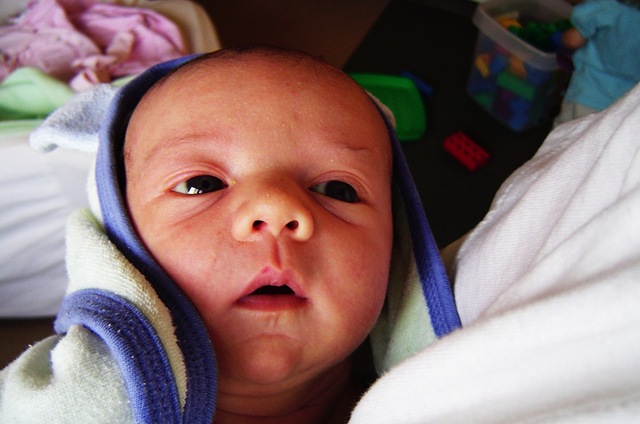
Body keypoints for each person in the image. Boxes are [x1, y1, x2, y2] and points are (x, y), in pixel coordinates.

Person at [0, 46, 460, 423]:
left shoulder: (462, 395)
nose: (277, 208)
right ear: (118, 242)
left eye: (337, 189)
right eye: (201, 184)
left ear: (398, 246)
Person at [553, 0, 640, 126]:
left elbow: (573, 41)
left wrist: (562, 37)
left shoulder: (605, 7)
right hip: (622, 106)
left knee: (565, 133)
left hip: (587, 92)